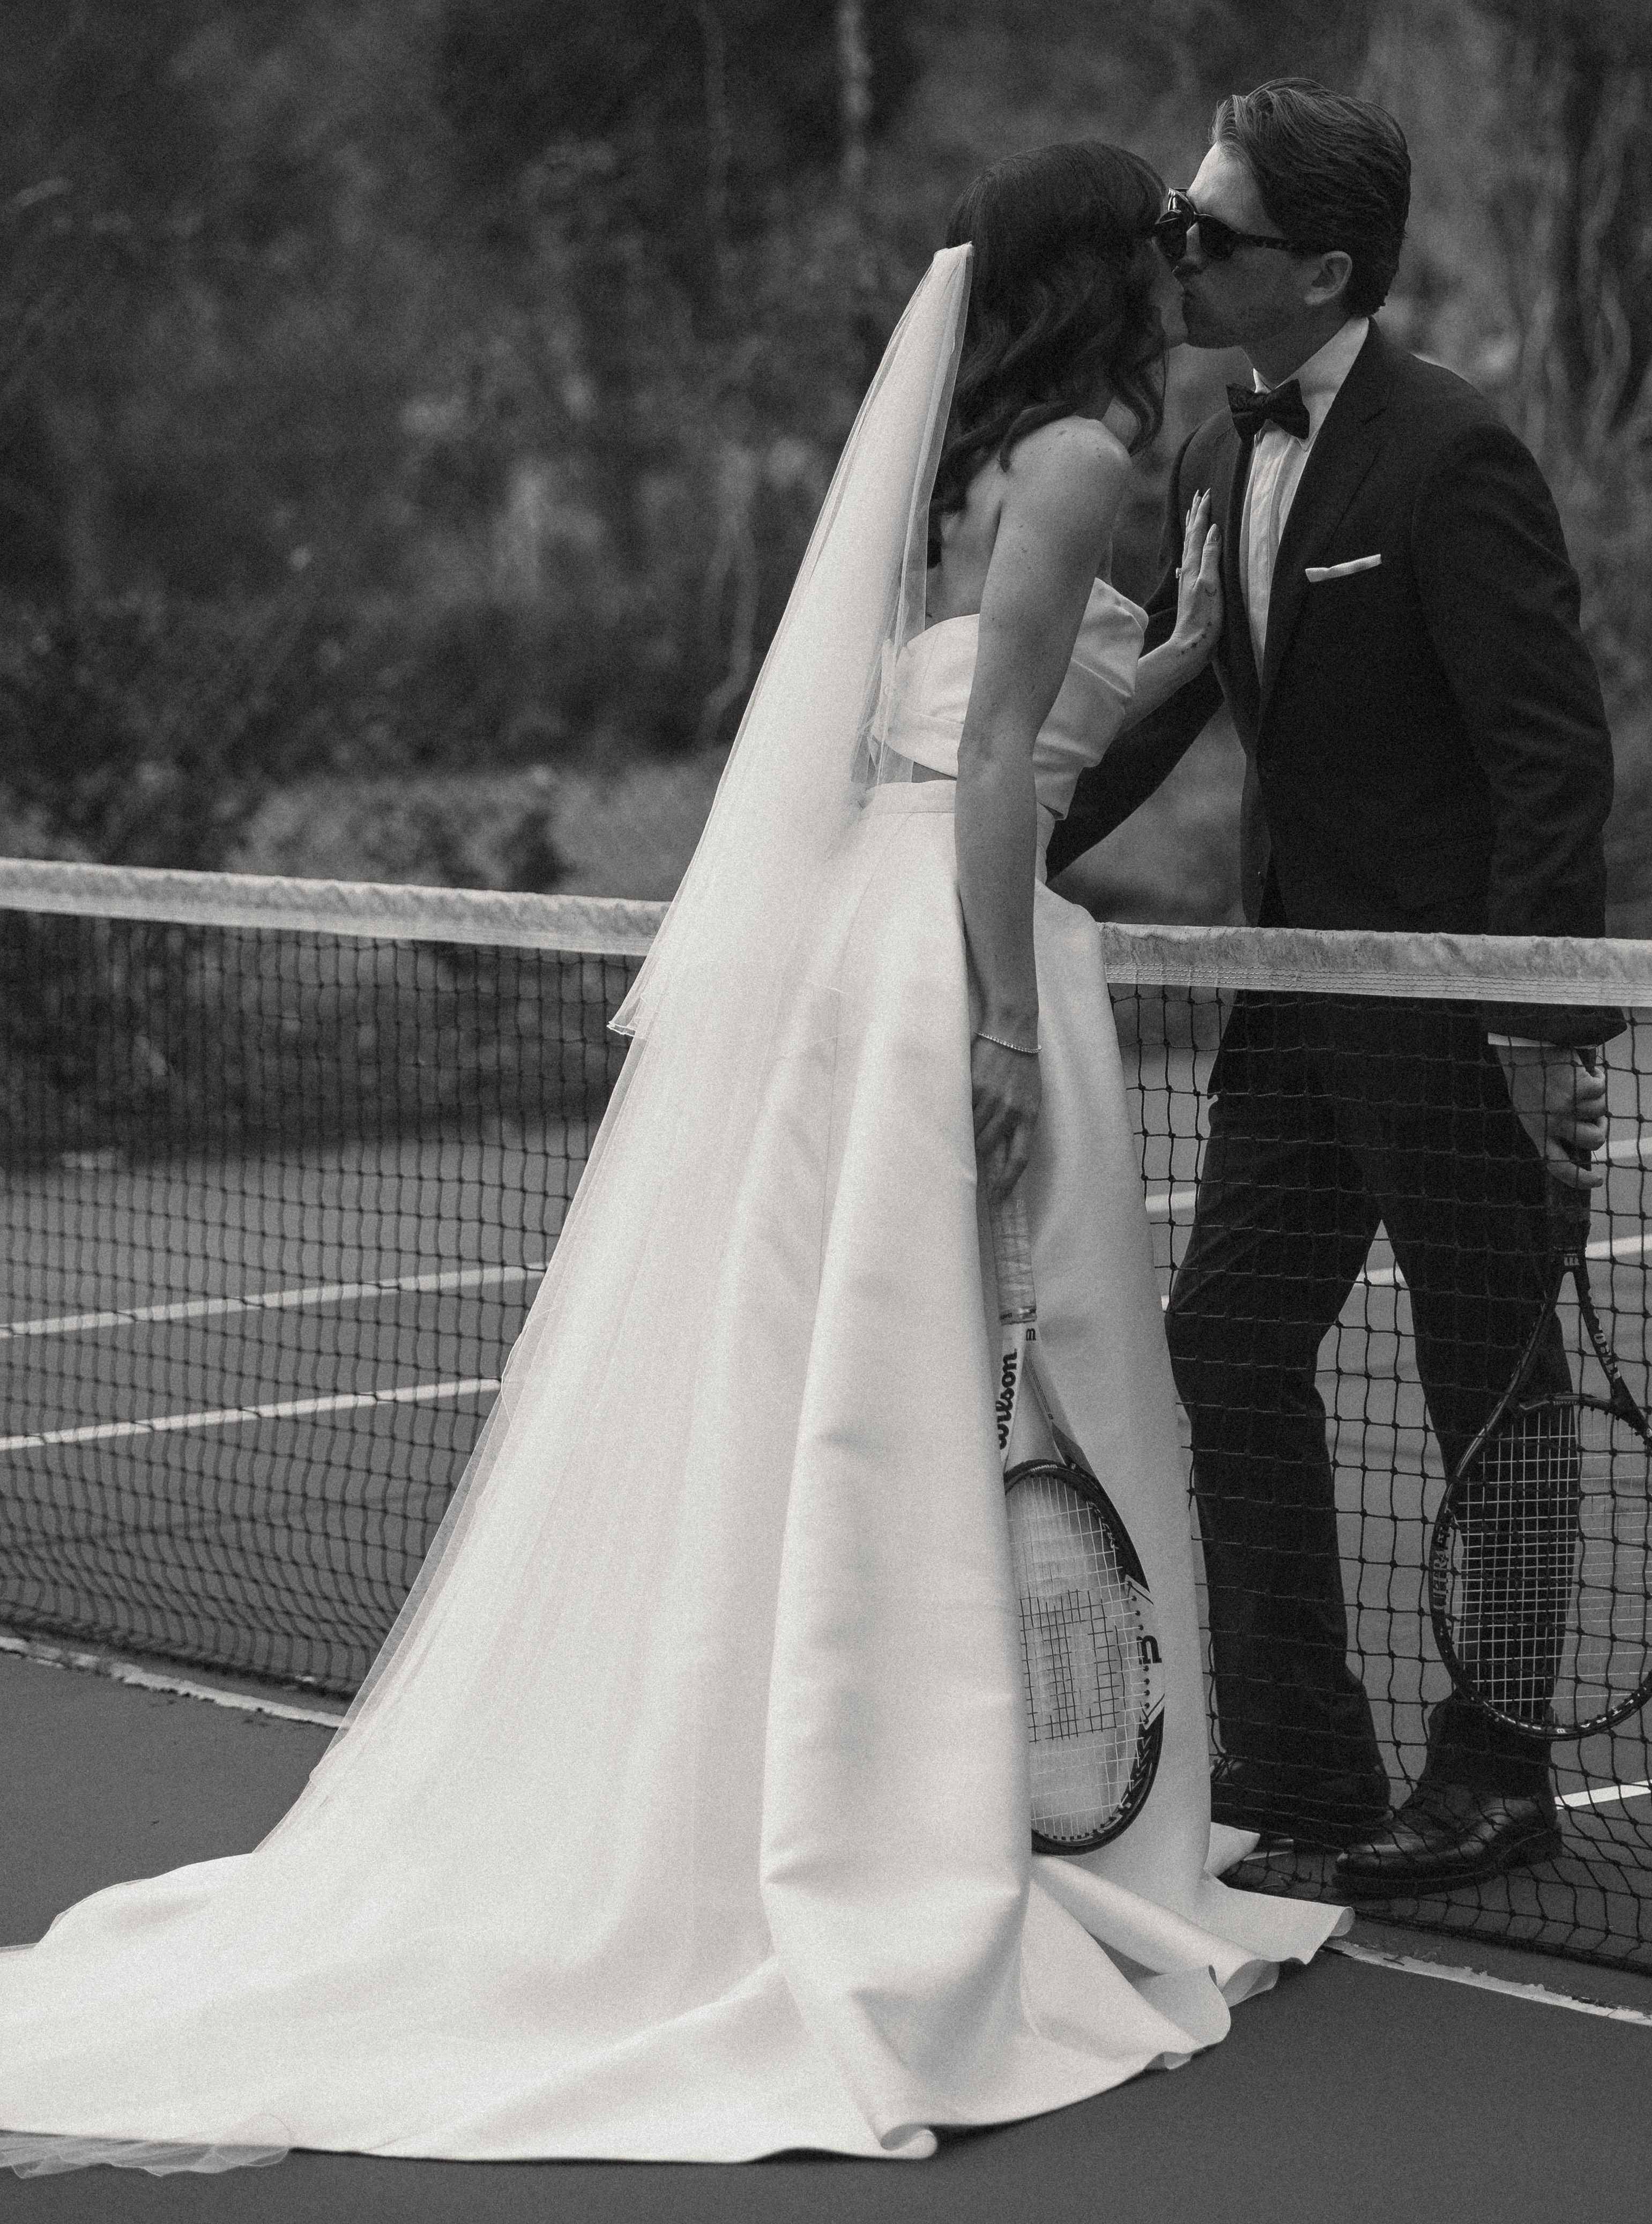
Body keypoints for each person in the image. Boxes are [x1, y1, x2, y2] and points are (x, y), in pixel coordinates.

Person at [0, 145, 1340, 2180]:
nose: (1184, 272)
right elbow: (990, 765)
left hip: (869, 957)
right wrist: (993, 1013)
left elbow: (978, 722)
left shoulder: (951, 471)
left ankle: (908, 1792)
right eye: (1160, 248)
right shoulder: (1072, 459)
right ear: (1099, 277)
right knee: (980, 1383)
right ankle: (918, 1831)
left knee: (886, 1392)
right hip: (945, 970)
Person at [1046, 80, 1618, 1902]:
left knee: (1493, 1397)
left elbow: (1551, 761)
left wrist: (1541, 1026)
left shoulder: (1453, 456)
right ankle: (1301, 1755)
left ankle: (1498, 1770)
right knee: (1222, 1353)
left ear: (1326, 269)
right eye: (1176, 227)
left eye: (1210, 236)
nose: (1178, 258)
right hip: (1291, 1021)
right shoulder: (1217, 452)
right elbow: (1183, 691)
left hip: (1460, 1033)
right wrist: (996, 857)